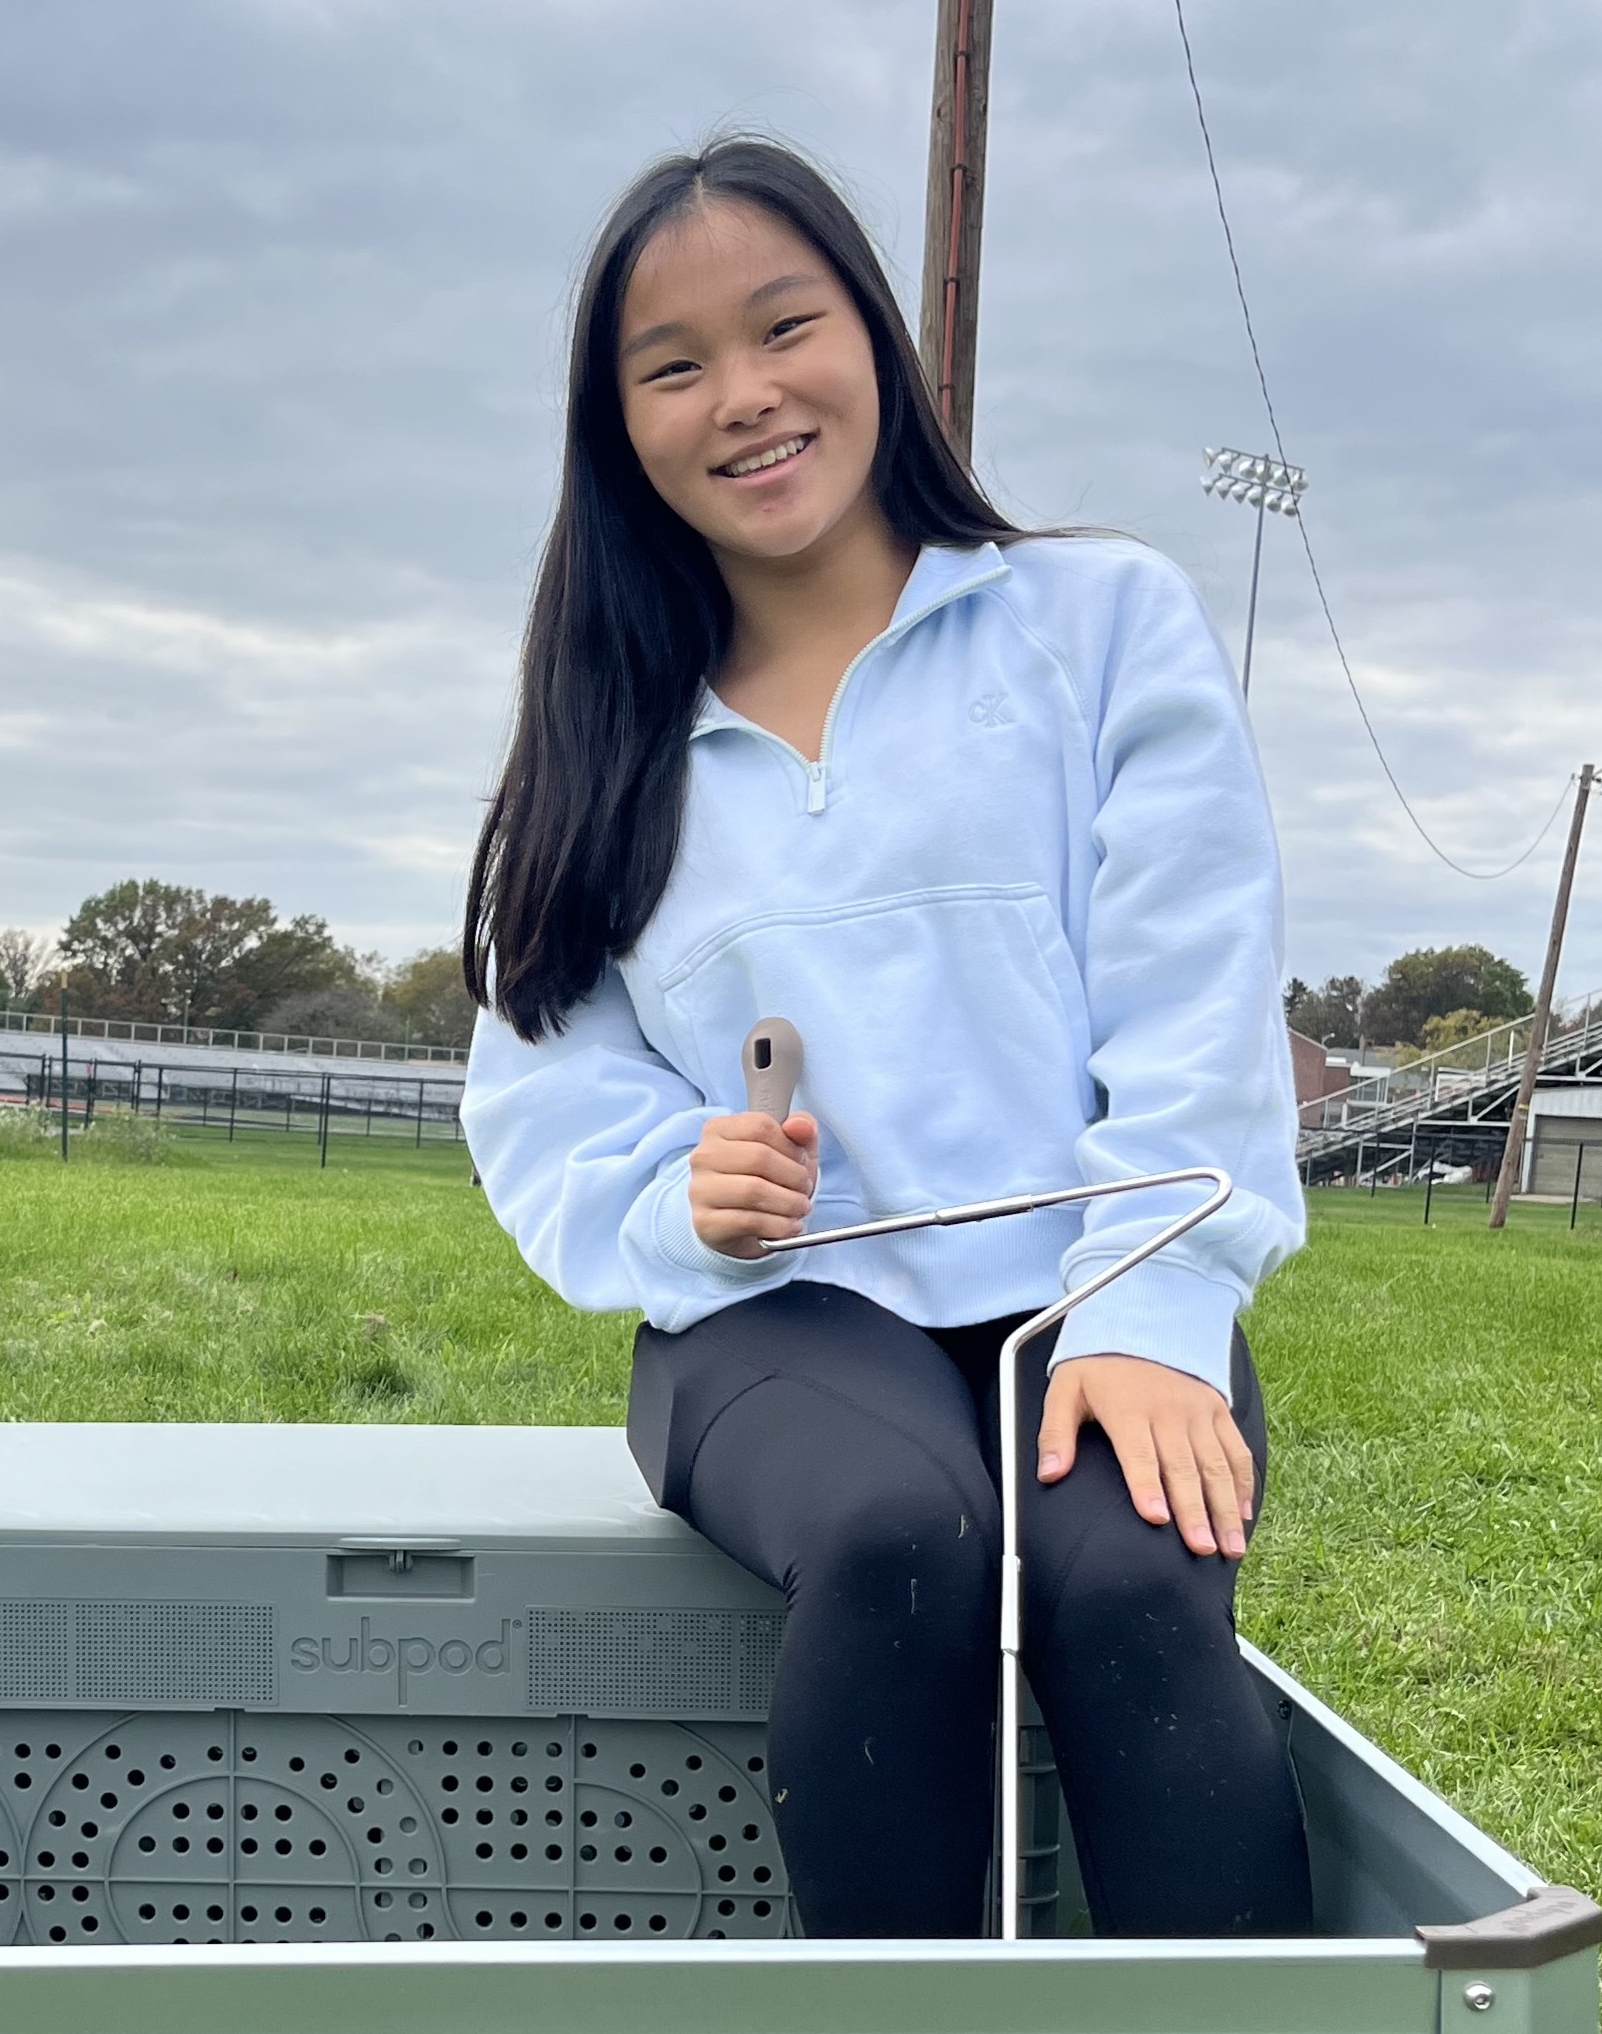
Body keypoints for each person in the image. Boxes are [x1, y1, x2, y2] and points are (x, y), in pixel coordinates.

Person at [459, 135, 1311, 1941]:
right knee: (897, 1539)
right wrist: (674, 1188)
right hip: (773, 1318)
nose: (743, 397)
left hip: (1094, 1288)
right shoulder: (604, 742)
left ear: (876, 336)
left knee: (1128, 1589)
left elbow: (1193, 1000)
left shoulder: (1098, 625)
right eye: (672, 365)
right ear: (616, 427)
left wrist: (1157, 1314)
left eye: (785, 326)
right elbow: (542, 1087)